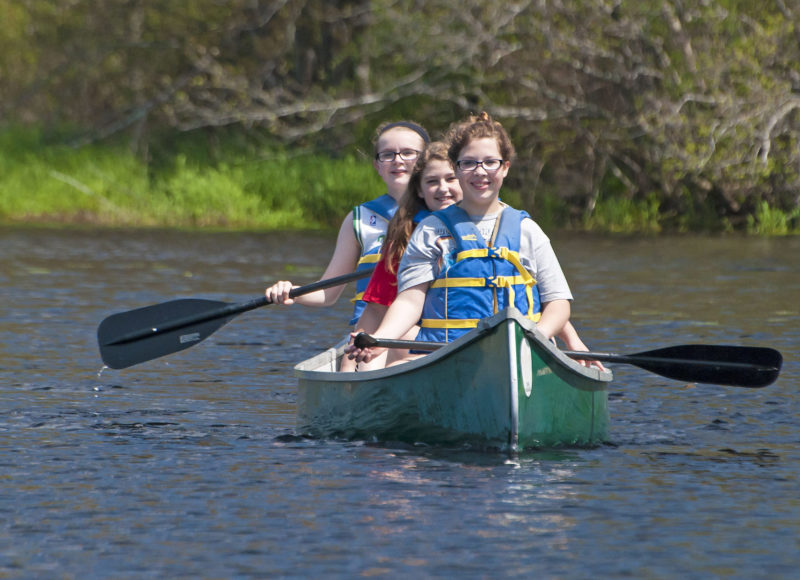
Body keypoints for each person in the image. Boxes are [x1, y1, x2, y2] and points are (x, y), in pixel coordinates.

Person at [347, 112, 603, 369]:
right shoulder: (430, 231)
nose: (480, 172)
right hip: (447, 356)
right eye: (469, 163)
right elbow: (410, 301)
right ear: (457, 168)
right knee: (397, 363)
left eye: (490, 162)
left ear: (505, 167)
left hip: (524, 353)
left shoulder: (528, 230)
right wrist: (382, 338)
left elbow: (557, 303)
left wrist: (537, 336)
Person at [264, 121, 430, 370]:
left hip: (422, 328)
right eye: (388, 155)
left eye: (408, 153)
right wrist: (292, 292)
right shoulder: (360, 218)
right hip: (367, 328)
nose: (398, 160)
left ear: (425, 160)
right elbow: (328, 293)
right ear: (377, 165)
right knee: (357, 363)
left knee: (403, 344)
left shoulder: (443, 212)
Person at [354, 141, 463, 369]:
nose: (443, 188)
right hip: (423, 342)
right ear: (420, 190)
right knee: (401, 337)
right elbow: (376, 310)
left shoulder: (501, 229)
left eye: (451, 178)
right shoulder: (405, 236)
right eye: (432, 181)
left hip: (475, 336)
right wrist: (352, 371)